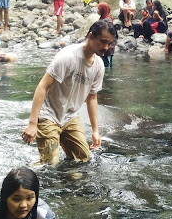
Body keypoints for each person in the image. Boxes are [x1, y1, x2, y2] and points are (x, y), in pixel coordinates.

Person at [21, 19, 116, 165]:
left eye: (109, 43)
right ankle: (28, 171)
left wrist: (95, 131)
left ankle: (59, 148)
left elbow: (92, 98)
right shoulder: (68, 56)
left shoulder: (99, 66)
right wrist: (32, 123)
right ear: (91, 36)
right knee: (50, 164)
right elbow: (42, 86)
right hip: (49, 114)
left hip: (70, 116)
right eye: (103, 41)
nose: (106, 47)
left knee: (83, 158)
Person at [97, 2, 116, 68]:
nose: (97, 10)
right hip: (103, 46)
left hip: (108, 46)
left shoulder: (107, 20)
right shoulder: (103, 18)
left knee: (107, 66)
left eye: (98, 9)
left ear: (103, 10)